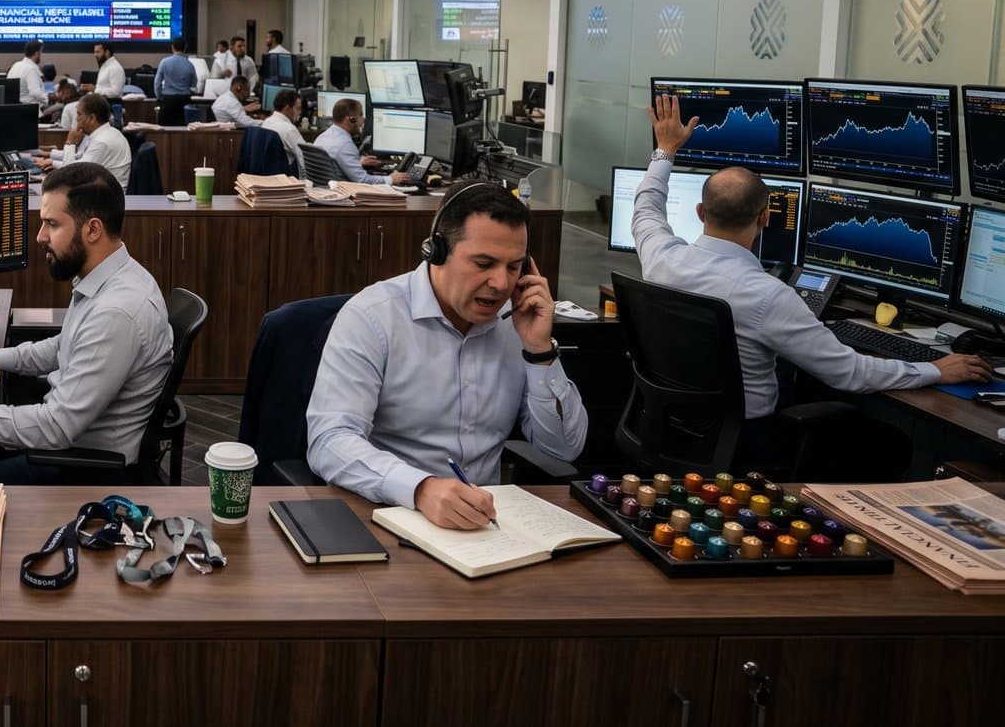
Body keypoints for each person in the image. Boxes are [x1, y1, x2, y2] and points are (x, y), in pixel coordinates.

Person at [636, 96, 990, 459]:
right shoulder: (768, 296)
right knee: (891, 445)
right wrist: (933, 369)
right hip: (744, 443)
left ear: (699, 212)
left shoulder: (661, 258)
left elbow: (646, 207)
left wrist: (666, 148)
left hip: (675, 429)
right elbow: (849, 373)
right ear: (765, 218)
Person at [307, 182, 587, 528]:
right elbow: (329, 442)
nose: (501, 283)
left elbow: (563, 450)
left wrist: (540, 352)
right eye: (484, 263)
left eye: (514, 267)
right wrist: (419, 488)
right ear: (436, 250)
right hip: (389, 514)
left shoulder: (518, 325)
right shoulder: (373, 317)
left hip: (489, 527)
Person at [0, 163, 172, 484]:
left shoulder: (116, 312)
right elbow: (61, 347)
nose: (40, 237)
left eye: (52, 224)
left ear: (92, 229)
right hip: (63, 441)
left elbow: (55, 429)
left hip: (79, 465)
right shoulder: (111, 275)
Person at [35, 94, 131, 187]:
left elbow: (72, 174)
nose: (76, 119)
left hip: (108, 197)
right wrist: (52, 160)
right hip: (102, 188)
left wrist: (70, 143)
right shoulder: (104, 133)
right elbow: (80, 158)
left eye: (79, 114)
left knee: (49, 187)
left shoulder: (101, 142)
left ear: (92, 118)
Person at [315, 98, 411, 185]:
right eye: (360, 115)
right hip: (343, 196)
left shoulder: (322, 137)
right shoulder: (345, 144)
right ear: (351, 119)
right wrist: (391, 179)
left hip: (323, 193)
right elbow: (362, 180)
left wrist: (357, 163)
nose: (364, 119)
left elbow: (336, 164)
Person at [152, 39, 197, 126]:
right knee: (183, 129)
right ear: (185, 48)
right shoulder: (190, 64)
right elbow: (194, 84)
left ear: (172, 47)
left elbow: (157, 82)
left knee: (164, 129)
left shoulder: (164, 62)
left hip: (168, 100)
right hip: (185, 101)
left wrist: (159, 97)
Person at [261, 87, 305, 171]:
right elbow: (304, 158)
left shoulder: (266, 122)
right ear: (287, 108)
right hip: (287, 177)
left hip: (268, 175)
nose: (300, 112)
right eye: (298, 108)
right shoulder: (289, 129)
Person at [7, 40, 48, 105]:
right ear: (37, 53)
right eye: (41, 52)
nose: (41, 55)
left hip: (17, 107)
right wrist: (49, 98)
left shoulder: (16, 65)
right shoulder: (31, 68)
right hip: (31, 108)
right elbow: (35, 92)